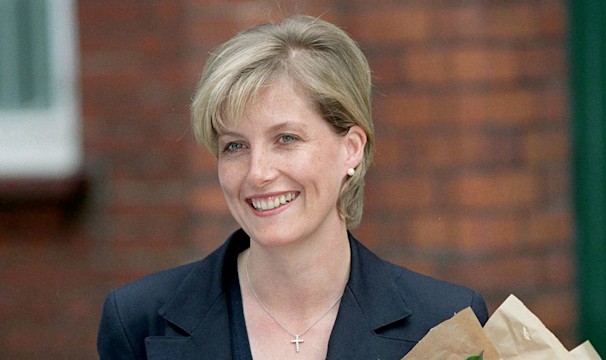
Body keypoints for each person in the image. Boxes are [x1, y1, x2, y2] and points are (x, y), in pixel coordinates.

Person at [97, 15, 488, 359]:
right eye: (235, 146)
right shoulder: (139, 321)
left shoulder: (443, 322)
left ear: (350, 149)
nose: (257, 172)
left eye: (286, 138)